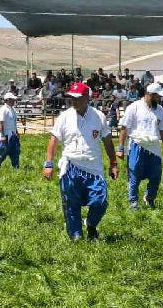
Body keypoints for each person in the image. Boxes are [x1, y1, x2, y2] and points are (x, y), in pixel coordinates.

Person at [43, 81, 119, 241]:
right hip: (71, 166)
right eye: (72, 97)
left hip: (94, 168)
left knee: (100, 202)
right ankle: (75, 234)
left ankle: (91, 224)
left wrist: (113, 163)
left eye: (77, 98)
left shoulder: (99, 116)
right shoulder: (64, 117)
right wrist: (48, 163)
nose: (74, 101)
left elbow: (107, 142)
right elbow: (53, 140)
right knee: (71, 203)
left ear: (87, 97)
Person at [118, 83, 163, 210]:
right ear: (149, 95)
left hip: (154, 147)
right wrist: (120, 148)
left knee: (156, 176)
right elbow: (124, 128)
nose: (159, 99)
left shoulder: (159, 110)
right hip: (137, 145)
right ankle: (133, 202)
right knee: (134, 175)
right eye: (157, 96)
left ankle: (149, 198)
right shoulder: (134, 107)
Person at [0, 92, 20, 169]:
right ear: (7, 100)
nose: (14, 101)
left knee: (15, 151)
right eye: (12, 100)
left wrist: (16, 132)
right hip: (6, 134)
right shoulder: (3, 110)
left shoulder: (13, 109)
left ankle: (16, 166)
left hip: (13, 133)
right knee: (3, 151)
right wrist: (3, 135)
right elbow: (1, 123)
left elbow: (14, 123)